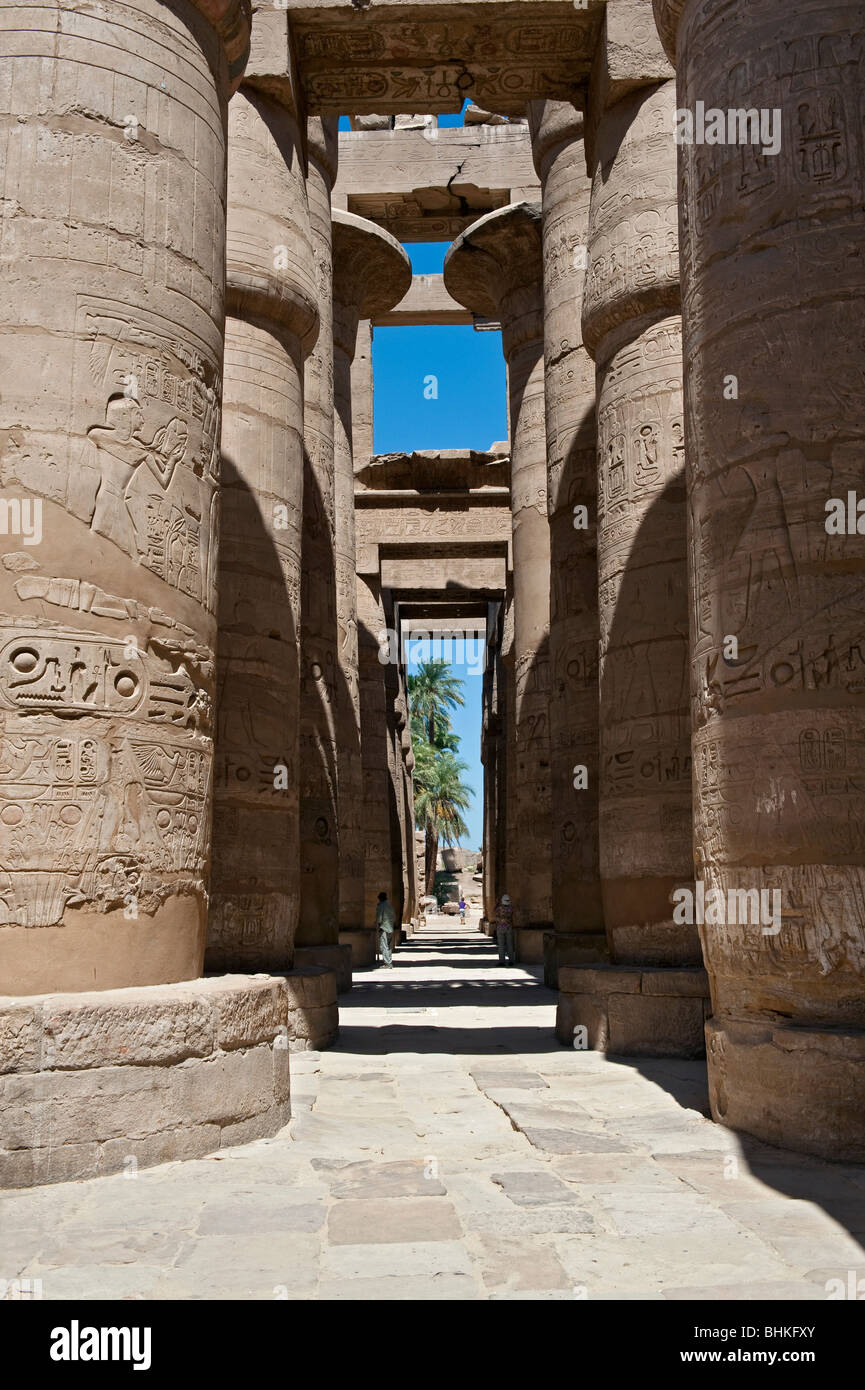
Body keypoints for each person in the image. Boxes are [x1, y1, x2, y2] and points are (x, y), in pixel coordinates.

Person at [376, 890, 397, 968]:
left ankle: (387, 963)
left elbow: (379, 918)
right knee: (389, 946)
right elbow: (394, 917)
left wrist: (378, 924)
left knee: (384, 946)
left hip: (384, 928)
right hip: (390, 928)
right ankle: (389, 961)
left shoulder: (380, 906)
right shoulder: (390, 906)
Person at [494, 892, 515, 965]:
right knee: (510, 944)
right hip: (509, 927)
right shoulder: (511, 909)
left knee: (501, 945)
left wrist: (496, 903)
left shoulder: (499, 908)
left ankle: (501, 961)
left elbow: (495, 912)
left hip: (500, 927)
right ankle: (511, 960)